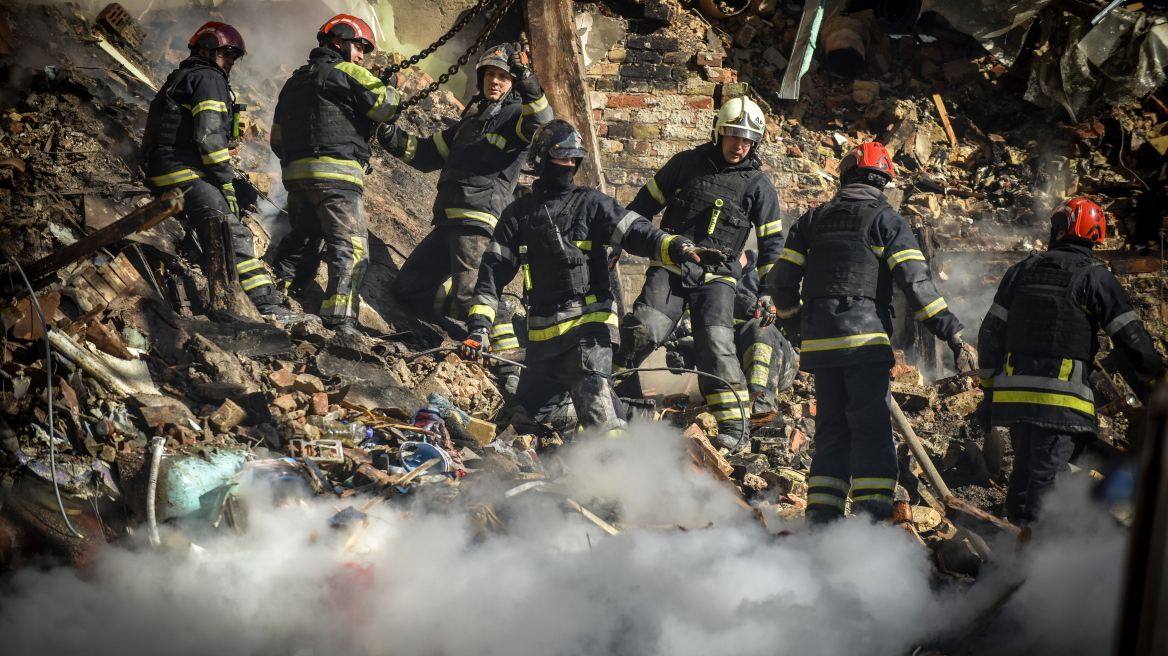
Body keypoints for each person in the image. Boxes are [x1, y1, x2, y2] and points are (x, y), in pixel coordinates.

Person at [766, 141, 976, 524]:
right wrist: (952, 332)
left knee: (830, 432)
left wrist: (799, 327)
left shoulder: (813, 220)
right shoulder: (887, 220)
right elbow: (916, 286)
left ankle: (823, 521)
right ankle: (872, 521)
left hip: (822, 349)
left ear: (846, 176)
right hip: (864, 345)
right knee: (871, 429)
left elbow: (780, 285)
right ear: (884, 182)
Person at [461, 120, 700, 434]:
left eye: (574, 159)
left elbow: (636, 231)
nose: (569, 165)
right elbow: (491, 276)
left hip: (590, 331)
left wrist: (676, 245)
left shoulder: (593, 204)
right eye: (562, 158)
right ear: (541, 159)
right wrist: (479, 329)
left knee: (594, 396)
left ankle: (619, 470)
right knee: (527, 420)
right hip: (543, 342)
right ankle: (632, 414)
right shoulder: (517, 215)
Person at [977, 198, 1166, 524]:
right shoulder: (1096, 278)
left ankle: (1015, 551)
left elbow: (990, 334)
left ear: (1063, 229)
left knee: (1023, 471)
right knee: (1047, 477)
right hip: (1059, 397)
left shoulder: (1021, 270)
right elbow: (1133, 340)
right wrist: (1158, 382)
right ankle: (1036, 557)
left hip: (1015, 396)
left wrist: (988, 389)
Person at [612, 96, 784, 449]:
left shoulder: (759, 186)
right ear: (718, 132)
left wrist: (768, 292)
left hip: (718, 278)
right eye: (734, 135)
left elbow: (773, 247)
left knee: (717, 346)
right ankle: (614, 399)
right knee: (645, 328)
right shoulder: (684, 165)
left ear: (756, 142)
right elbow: (638, 211)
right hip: (671, 266)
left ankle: (735, 430)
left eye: (747, 139)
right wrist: (615, 244)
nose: (739, 145)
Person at [380, 43, 553, 351]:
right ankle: (493, 311)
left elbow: (542, 123)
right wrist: (388, 133)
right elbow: (424, 154)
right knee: (409, 289)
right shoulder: (469, 125)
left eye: (503, 76)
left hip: (478, 220)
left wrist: (528, 78)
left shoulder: (516, 118)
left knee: (469, 293)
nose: (495, 81)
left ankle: (505, 362)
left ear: (512, 83)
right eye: (489, 74)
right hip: (447, 221)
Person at [141, 22, 299, 321]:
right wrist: (225, 179)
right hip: (180, 172)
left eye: (234, 58)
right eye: (227, 55)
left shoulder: (183, 77)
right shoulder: (209, 78)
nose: (231, 64)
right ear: (206, 49)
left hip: (163, 168)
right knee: (232, 231)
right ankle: (268, 306)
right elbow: (209, 138)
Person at [269, 14, 401, 337]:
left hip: (297, 182)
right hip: (338, 180)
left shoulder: (293, 82)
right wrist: (391, 87)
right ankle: (339, 324)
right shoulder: (346, 72)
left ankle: (274, 297)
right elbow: (386, 107)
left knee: (302, 239)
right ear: (339, 42)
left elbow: (276, 140)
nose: (361, 56)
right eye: (358, 47)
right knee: (350, 250)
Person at [733, 250, 798, 414]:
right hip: (730, 374)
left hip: (778, 365)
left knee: (759, 327)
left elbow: (798, 323)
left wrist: (778, 307)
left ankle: (761, 407)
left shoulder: (767, 271)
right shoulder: (708, 280)